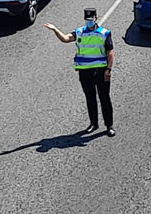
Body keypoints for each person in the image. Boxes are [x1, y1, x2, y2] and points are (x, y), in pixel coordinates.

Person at [43, 8, 115, 137]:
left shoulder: (104, 33)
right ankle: (93, 124)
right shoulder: (79, 32)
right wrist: (55, 30)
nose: (89, 22)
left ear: (96, 19)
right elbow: (65, 38)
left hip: (101, 71)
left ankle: (109, 125)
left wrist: (108, 70)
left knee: (104, 98)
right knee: (90, 98)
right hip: (84, 72)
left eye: (91, 20)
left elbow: (110, 53)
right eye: (87, 20)